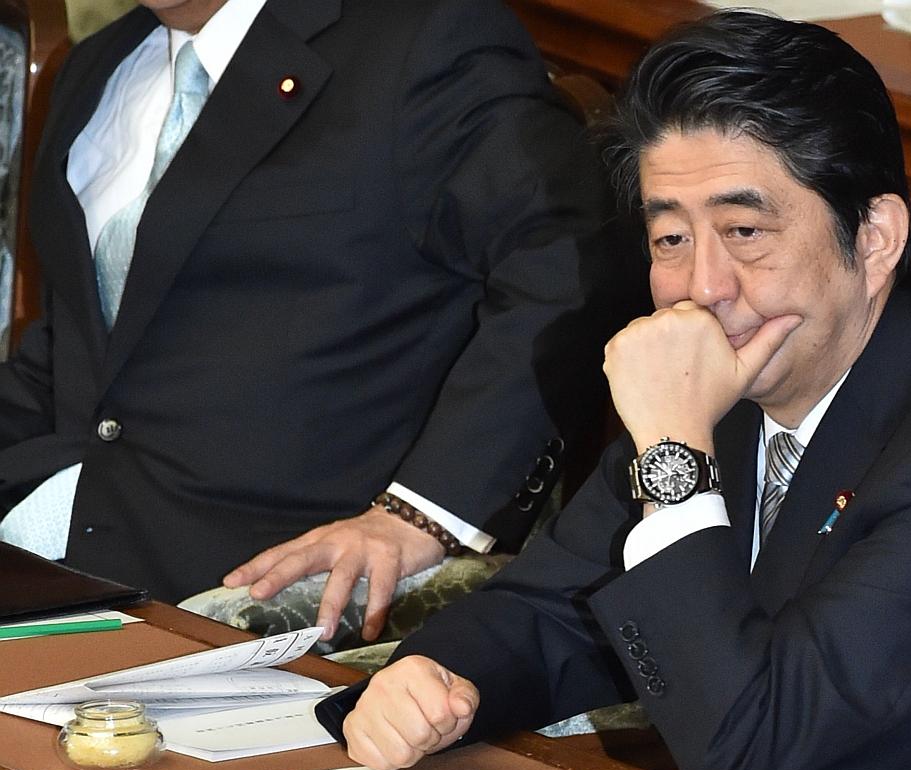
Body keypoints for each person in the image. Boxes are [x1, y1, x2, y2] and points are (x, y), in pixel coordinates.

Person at [322, 11, 911, 770]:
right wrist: (437, 677)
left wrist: (675, 455)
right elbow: (558, 611)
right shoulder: (731, 380)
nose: (703, 287)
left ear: (875, 239)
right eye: (671, 238)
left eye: (745, 232)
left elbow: (746, 743)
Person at [0, 0, 626, 640]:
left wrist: (425, 513)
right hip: (51, 549)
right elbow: (74, 352)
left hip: (252, 587)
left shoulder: (422, 40)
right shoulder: (101, 63)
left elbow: (570, 262)